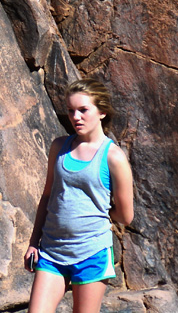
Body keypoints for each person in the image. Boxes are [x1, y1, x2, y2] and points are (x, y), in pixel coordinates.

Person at [24, 78, 135, 313]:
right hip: (52, 252)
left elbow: (125, 216)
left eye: (83, 110)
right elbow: (47, 197)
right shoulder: (59, 147)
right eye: (71, 110)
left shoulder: (113, 157)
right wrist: (34, 243)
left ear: (102, 111)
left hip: (91, 253)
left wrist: (97, 211)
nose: (76, 117)